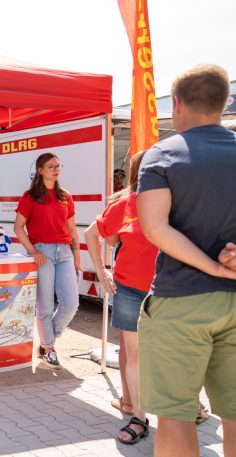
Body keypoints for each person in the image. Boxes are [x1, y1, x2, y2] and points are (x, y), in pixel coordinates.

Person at [137, 64, 236, 457]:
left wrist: (211, 266)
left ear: (176, 104)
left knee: (176, 416)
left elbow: (155, 227)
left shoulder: (163, 155)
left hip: (181, 301)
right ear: (223, 103)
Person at [85, 151, 153, 444]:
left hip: (168, 291)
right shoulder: (124, 203)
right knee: (135, 356)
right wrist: (101, 272)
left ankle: (188, 409)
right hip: (130, 289)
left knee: (170, 355)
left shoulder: (178, 201)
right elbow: (92, 234)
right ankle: (139, 416)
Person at [13, 153, 80, 370]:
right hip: (43, 252)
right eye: (50, 166)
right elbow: (18, 228)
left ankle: (48, 338)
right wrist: (33, 251)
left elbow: (72, 230)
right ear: (40, 170)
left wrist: (77, 258)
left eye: (58, 166)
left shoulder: (65, 196)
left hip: (65, 253)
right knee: (45, 305)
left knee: (71, 304)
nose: (55, 169)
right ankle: (49, 348)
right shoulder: (30, 196)